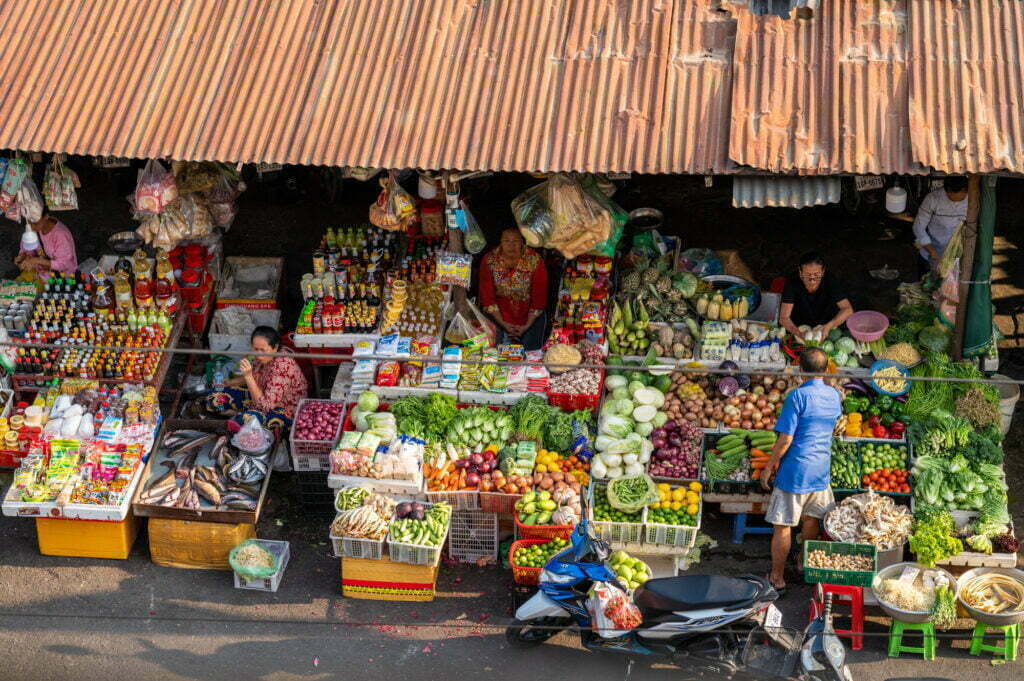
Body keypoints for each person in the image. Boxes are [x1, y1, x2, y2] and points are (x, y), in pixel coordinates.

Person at [761, 348, 842, 594]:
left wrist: (768, 467)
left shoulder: (797, 396)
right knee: (811, 519)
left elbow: (786, 439)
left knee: (783, 524)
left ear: (800, 370)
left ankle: (777, 577)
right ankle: (803, 563)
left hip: (795, 470)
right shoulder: (834, 395)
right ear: (826, 370)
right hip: (821, 469)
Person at [205, 326, 308, 432]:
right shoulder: (260, 357)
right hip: (259, 396)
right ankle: (237, 416)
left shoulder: (282, 366)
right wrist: (229, 382)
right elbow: (253, 376)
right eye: (255, 349)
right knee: (214, 397)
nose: (258, 354)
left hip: (283, 409)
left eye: (263, 350)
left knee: (249, 419)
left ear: (275, 347)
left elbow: (264, 407)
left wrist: (248, 376)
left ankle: (240, 417)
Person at [478, 228, 549, 351]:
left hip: (529, 318)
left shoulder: (534, 260)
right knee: (493, 354)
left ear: (522, 241)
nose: (511, 245)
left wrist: (527, 325)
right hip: (497, 317)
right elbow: (487, 297)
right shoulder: (490, 260)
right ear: (500, 242)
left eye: (515, 241)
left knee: (530, 355)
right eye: (506, 241)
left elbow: (539, 295)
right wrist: (503, 323)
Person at [779, 252, 854, 342]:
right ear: (800, 272)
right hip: (800, 325)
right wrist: (799, 333)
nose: (812, 280)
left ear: (822, 272)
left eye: (816, 275)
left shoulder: (830, 280)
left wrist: (829, 326)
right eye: (807, 275)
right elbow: (784, 318)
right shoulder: (792, 282)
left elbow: (847, 309)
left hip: (824, 324)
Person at [912, 176, 968, 277]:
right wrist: (933, 252)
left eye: (960, 199)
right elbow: (918, 227)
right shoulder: (933, 198)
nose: (956, 202)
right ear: (946, 191)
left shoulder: (973, 200)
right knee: (927, 283)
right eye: (952, 198)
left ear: (966, 190)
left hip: (958, 256)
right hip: (931, 253)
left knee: (953, 284)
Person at [14, 212, 78, 283]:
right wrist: (23, 256)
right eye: (29, 224)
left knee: (28, 289)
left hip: (59, 277)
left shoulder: (61, 235)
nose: (32, 228)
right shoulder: (33, 228)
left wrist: (36, 260)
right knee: (15, 286)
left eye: (35, 224)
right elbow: (27, 248)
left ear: (46, 216)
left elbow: (63, 264)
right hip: (38, 270)